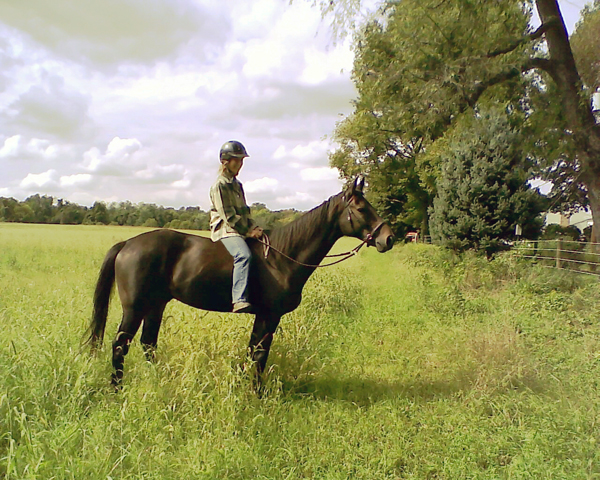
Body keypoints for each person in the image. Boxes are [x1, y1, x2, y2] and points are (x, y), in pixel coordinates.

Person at [209, 140, 263, 313]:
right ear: (225, 161)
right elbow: (228, 216)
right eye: (237, 160)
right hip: (225, 229)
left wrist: (255, 227)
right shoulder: (220, 185)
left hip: (239, 229)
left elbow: (245, 211)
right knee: (244, 255)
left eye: (242, 161)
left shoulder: (237, 185)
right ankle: (238, 299)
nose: (240, 164)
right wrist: (247, 231)